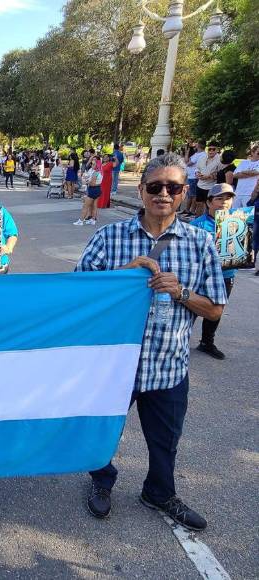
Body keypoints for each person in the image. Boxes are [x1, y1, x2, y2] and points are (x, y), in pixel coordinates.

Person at [77, 153, 227, 531]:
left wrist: (181, 292)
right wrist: (123, 276)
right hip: (113, 366)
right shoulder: (110, 237)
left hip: (168, 366)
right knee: (103, 430)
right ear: (142, 190)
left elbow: (214, 311)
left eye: (173, 187)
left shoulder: (200, 243)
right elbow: (76, 293)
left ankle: (159, 493)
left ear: (183, 193)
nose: (163, 193)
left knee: (165, 441)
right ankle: (101, 481)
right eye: (155, 186)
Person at [190, 184, 245, 359]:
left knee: (216, 310)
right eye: (219, 198)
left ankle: (207, 342)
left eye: (227, 198)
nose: (223, 203)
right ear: (209, 202)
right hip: (201, 275)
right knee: (190, 307)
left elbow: (240, 250)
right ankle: (177, 340)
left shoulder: (238, 222)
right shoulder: (196, 225)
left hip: (226, 275)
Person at [194, 142, 222, 216]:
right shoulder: (202, 158)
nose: (211, 151)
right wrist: (197, 173)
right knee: (199, 204)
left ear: (217, 150)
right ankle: (197, 220)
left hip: (211, 187)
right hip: (200, 185)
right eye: (210, 149)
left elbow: (220, 174)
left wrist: (208, 177)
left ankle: (208, 222)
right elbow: (197, 168)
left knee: (209, 206)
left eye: (213, 149)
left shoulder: (220, 160)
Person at [74, 157, 102, 226]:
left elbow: (92, 183)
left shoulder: (95, 173)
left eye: (93, 164)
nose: (92, 165)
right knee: (94, 206)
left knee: (85, 206)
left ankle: (81, 220)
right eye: (92, 164)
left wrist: (86, 181)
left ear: (97, 165)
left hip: (93, 189)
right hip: (98, 189)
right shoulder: (100, 171)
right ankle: (93, 220)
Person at [232, 144, 259, 208]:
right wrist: (251, 173)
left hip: (250, 194)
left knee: (247, 216)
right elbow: (235, 175)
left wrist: (243, 171)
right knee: (234, 216)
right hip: (238, 193)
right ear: (252, 152)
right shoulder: (244, 162)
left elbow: (255, 172)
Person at [183, 142, 205, 215]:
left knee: (193, 195)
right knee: (190, 195)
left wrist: (187, 151)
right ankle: (187, 210)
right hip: (191, 176)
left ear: (199, 145)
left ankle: (192, 211)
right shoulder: (198, 154)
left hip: (193, 177)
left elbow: (187, 162)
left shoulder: (200, 154)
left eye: (196, 143)